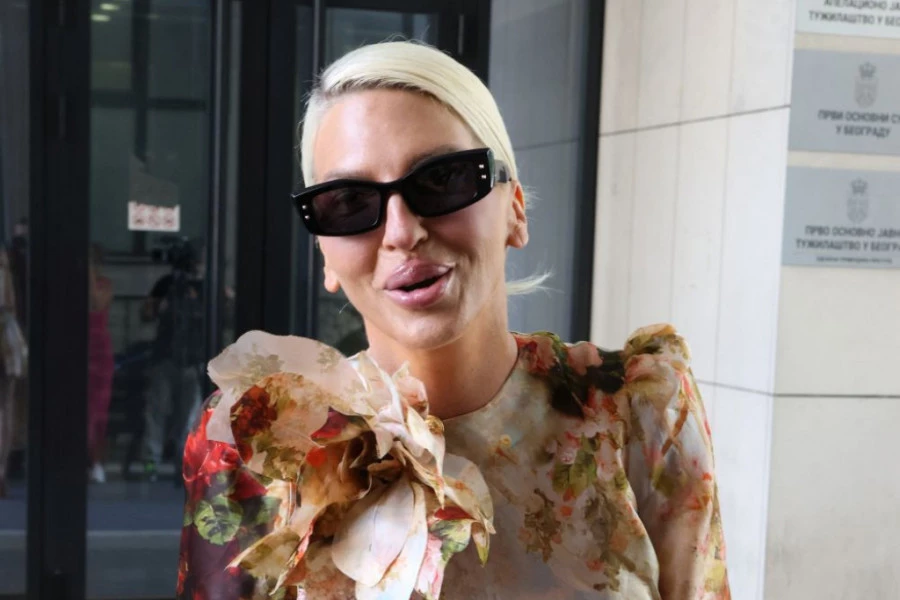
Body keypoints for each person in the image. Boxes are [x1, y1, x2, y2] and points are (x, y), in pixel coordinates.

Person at [177, 41, 730, 599]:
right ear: (324, 253)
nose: (402, 232)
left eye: (442, 179)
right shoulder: (258, 443)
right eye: (347, 203)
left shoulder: (636, 408)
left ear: (515, 208)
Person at [140, 238, 205, 480]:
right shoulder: (166, 284)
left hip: (193, 358)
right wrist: (159, 305)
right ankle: (152, 460)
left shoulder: (202, 287)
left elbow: (221, 315)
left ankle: (184, 459)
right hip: (165, 356)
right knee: (157, 409)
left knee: (189, 414)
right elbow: (146, 314)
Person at [0, 244, 26, 498]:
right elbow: (10, 304)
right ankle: (2, 469)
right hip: (8, 337)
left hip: (6, 338)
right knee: (6, 407)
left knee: (7, 406)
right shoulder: (6, 260)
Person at [87, 244, 115, 483]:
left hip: (99, 351)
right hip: (76, 345)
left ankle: (96, 461)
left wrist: (89, 274)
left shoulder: (103, 284)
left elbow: (96, 303)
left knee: (98, 410)